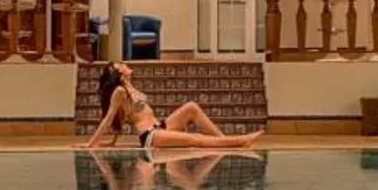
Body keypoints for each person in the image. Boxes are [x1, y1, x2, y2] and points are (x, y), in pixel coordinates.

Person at [83, 61, 263, 150]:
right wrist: (91, 144)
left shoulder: (130, 88)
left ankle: (224, 141)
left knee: (191, 107)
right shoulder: (120, 92)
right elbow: (109, 119)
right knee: (196, 139)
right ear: (118, 72)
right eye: (120, 65)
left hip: (160, 126)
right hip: (150, 135)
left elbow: (120, 119)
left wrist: (113, 142)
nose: (125, 64)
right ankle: (239, 141)